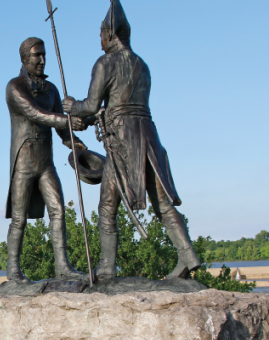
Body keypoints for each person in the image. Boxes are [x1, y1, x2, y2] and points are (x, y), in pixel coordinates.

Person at [62, 0, 200, 280]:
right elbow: (121, 104)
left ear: (110, 34)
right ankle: (188, 256)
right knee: (162, 203)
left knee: (107, 205)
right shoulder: (143, 65)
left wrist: (71, 106)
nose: (99, 40)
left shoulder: (105, 63)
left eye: (101, 34)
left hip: (123, 144)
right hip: (149, 138)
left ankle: (108, 267)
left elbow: (90, 105)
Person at [5, 37, 87, 281]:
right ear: (24, 58)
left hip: (46, 162)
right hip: (24, 162)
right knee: (19, 219)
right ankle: (13, 270)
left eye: (44, 55)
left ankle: (62, 265)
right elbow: (37, 114)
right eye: (36, 55)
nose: (42, 60)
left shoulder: (51, 89)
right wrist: (67, 121)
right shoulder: (14, 87)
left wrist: (75, 141)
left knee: (58, 210)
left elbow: (60, 126)